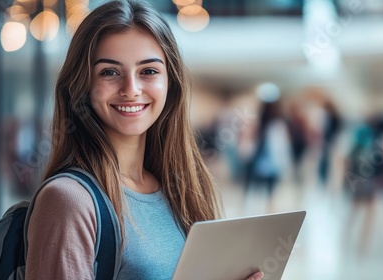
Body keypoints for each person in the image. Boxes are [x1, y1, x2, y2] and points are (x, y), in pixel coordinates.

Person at [25, 1, 264, 280]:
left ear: (170, 84)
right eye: (109, 72)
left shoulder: (183, 189)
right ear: (82, 85)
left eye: (148, 71)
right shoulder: (70, 201)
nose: (131, 89)